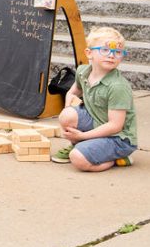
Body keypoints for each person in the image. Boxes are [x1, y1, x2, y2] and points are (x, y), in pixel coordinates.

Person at [51, 27, 138, 170]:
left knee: (78, 158)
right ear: (89, 53)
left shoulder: (117, 86)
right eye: (104, 50)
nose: (111, 55)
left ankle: (115, 158)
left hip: (118, 138)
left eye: (117, 52)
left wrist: (82, 136)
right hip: (96, 122)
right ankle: (81, 145)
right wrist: (68, 111)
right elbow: (72, 93)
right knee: (66, 115)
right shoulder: (83, 72)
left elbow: (115, 126)